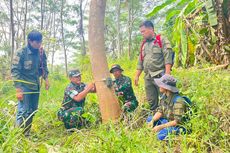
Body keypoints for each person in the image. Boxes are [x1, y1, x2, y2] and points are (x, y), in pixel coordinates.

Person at [11, 30, 49, 136]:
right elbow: (15, 71)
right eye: (36, 42)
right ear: (30, 41)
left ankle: (26, 134)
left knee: (32, 110)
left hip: (35, 86)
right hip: (24, 87)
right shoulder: (21, 52)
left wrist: (46, 80)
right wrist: (18, 90)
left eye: (40, 42)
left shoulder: (41, 52)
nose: (39, 45)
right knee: (23, 111)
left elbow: (44, 66)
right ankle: (17, 135)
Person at [134, 20, 174, 111]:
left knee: (164, 99)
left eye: (143, 31)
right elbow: (140, 60)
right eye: (141, 32)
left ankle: (166, 119)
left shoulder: (161, 40)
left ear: (151, 29)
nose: (142, 34)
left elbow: (168, 57)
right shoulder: (143, 44)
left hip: (160, 75)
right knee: (151, 100)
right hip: (148, 77)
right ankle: (154, 117)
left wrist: (167, 76)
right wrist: (137, 75)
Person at [147, 74, 189, 140]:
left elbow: (176, 122)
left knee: (161, 135)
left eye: (161, 84)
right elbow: (160, 111)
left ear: (166, 87)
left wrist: (161, 127)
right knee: (150, 119)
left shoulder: (179, 101)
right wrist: (152, 120)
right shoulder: (164, 96)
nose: (159, 86)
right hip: (168, 121)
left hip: (178, 126)